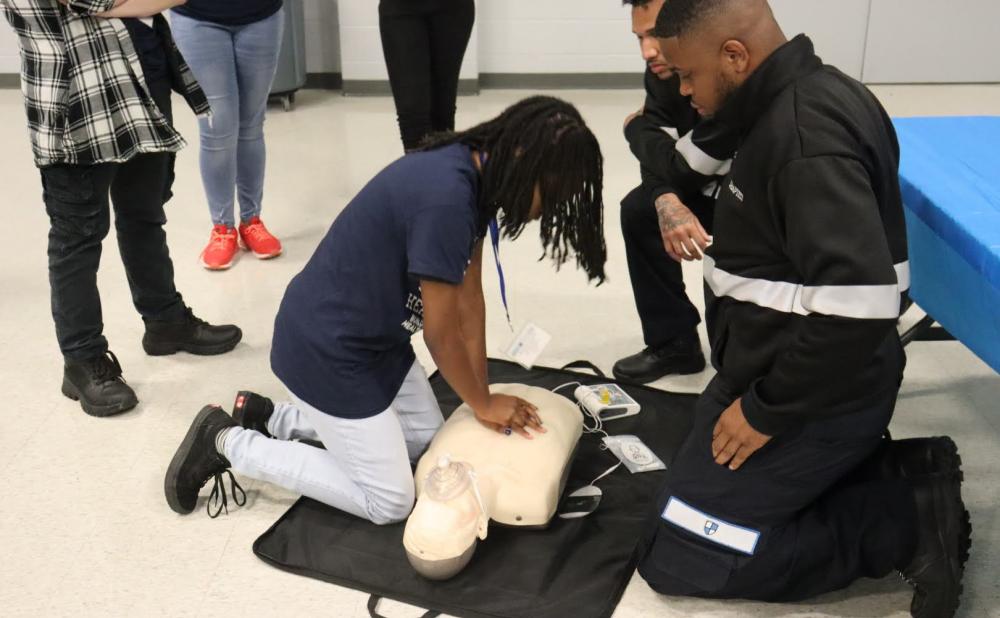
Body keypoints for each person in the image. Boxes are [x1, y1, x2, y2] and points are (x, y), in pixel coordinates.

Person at [636, 2, 970, 617]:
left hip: (813, 393)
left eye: (687, 76)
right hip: (776, 369)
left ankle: (909, 521)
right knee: (670, 514)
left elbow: (857, 310)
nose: (682, 92)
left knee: (682, 555)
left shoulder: (803, 134)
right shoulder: (801, 96)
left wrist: (766, 413)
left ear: (734, 56)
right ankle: (894, 470)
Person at [164, 97, 608, 525]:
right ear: (523, 157)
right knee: (391, 500)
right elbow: (440, 334)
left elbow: (469, 305)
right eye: (550, 195)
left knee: (427, 445)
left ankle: (272, 418)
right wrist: (483, 402)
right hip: (326, 351)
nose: (545, 212)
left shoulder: (477, 175)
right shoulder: (447, 199)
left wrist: (482, 396)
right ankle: (226, 441)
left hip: (376, 342)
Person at [1, 0, 242, 418]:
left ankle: (165, 321)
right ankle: (82, 360)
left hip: (138, 77)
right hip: (79, 98)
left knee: (144, 214)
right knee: (77, 236)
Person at [615, 0, 735, 383]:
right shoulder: (662, 71)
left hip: (750, 192)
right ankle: (675, 343)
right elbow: (662, 154)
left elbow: (675, 160)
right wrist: (665, 198)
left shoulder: (730, 70)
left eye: (655, 34)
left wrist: (635, 130)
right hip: (700, 174)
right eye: (639, 37)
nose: (647, 51)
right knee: (640, 211)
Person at [170, 0, 285, 270]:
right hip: (198, 18)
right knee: (216, 127)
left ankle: (251, 221)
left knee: (251, 126)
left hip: (262, 15)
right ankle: (222, 228)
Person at [378, 0, 476, 151]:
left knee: (442, 112)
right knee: (412, 114)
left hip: (453, 9)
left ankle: (441, 171)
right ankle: (422, 172)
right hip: (400, 8)